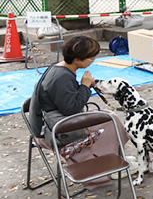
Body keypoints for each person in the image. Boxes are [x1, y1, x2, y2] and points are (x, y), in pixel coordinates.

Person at [29, 36, 132, 189]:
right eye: (90, 58)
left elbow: (68, 101)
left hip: (48, 123)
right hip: (52, 132)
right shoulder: (62, 77)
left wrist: (85, 86)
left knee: (110, 119)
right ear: (77, 59)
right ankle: (102, 169)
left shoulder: (59, 68)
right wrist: (84, 86)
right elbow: (71, 109)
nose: (93, 60)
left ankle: (109, 160)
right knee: (111, 122)